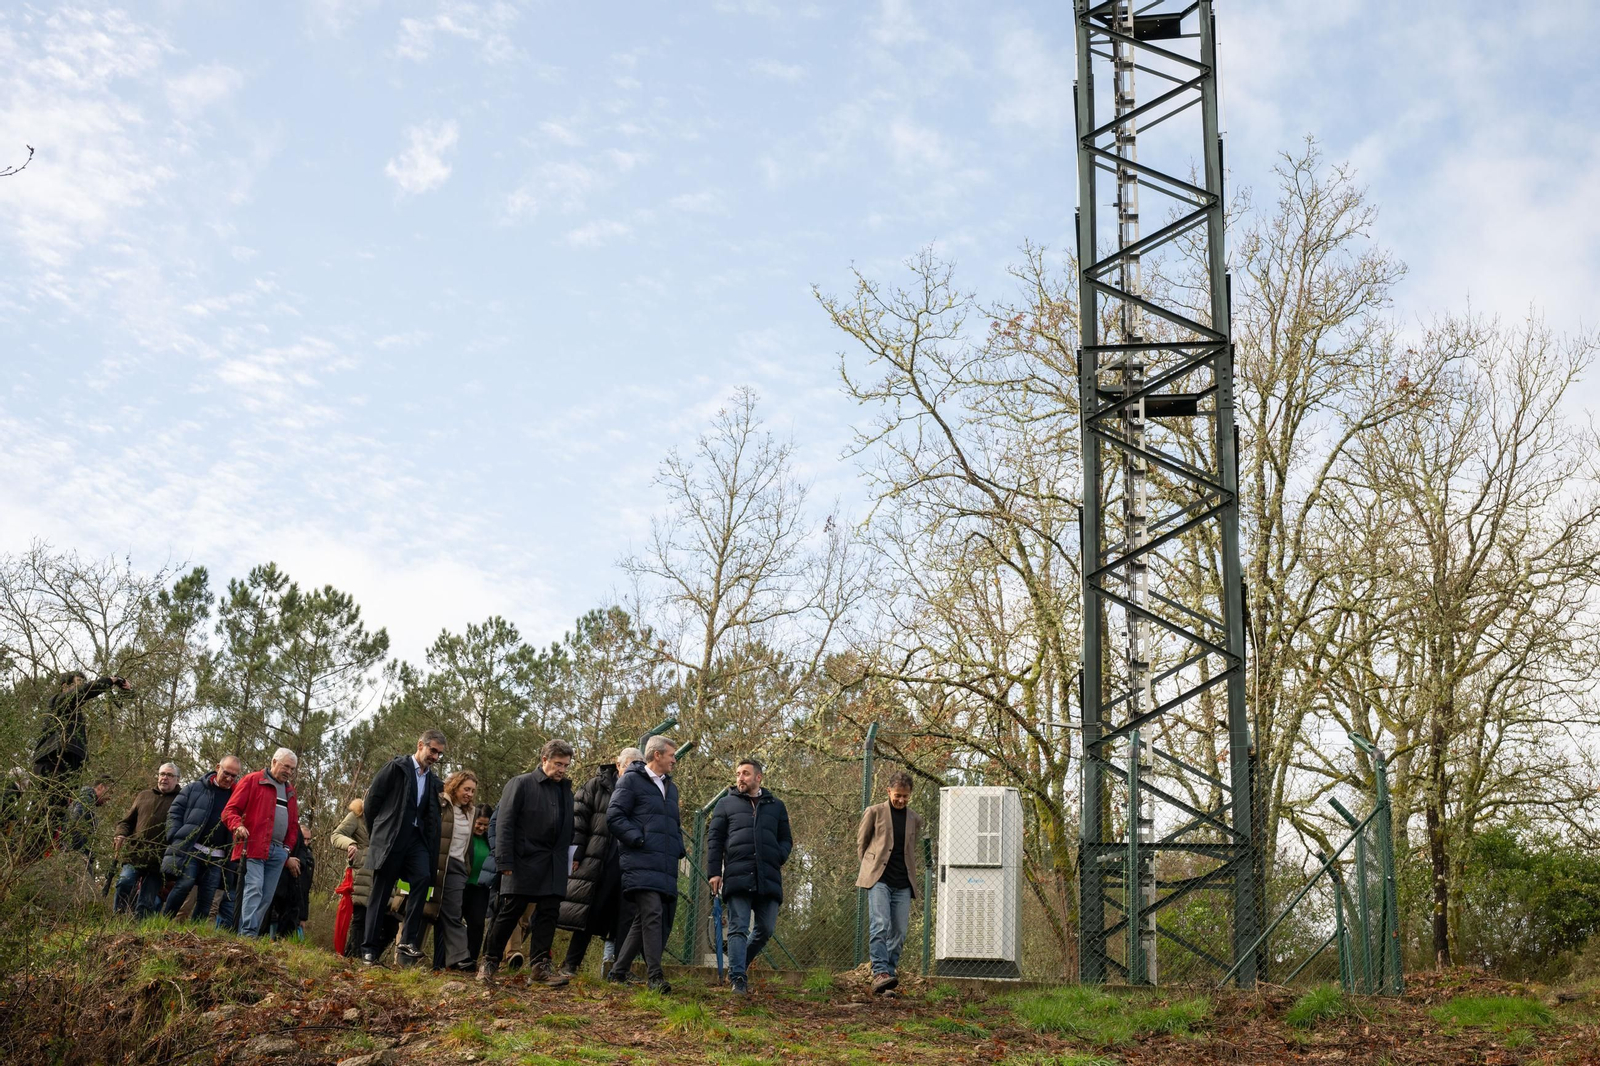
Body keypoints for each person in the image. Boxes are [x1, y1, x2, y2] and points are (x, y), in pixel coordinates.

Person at [477, 739, 575, 987]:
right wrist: (504, 861)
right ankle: (489, 962)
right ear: (544, 760)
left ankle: (540, 967)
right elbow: (504, 824)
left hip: (553, 862)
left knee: (549, 913)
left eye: (565, 765)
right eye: (557, 764)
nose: (562, 769)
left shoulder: (566, 790)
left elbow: (567, 829)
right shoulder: (520, 784)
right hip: (521, 861)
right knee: (510, 911)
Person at [706, 757, 793, 994]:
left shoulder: (776, 805)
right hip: (737, 875)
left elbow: (786, 839)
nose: (740, 778)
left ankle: (739, 964)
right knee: (737, 927)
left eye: (745, 773)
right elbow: (714, 841)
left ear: (758, 777)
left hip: (768, 876)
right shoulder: (725, 804)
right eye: (737, 773)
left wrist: (778, 856)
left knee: (766, 928)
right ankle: (738, 979)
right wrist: (714, 873)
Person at [360, 730, 446, 965]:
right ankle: (369, 949)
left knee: (423, 878)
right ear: (420, 745)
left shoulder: (433, 781)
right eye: (433, 750)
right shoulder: (395, 769)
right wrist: (378, 833)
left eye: (439, 753)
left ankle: (407, 942)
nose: (436, 757)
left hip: (416, 842)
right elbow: (372, 803)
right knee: (381, 892)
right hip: (392, 840)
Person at [607, 735, 684, 993]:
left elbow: (673, 824)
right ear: (657, 755)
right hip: (639, 861)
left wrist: (677, 848)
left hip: (663, 863)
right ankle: (655, 976)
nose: (675, 759)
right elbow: (615, 816)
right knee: (653, 913)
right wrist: (638, 840)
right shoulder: (631, 780)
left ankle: (617, 972)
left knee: (644, 918)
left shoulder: (670, 787)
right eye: (672, 754)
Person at [556, 747, 640, 978]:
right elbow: (579, 820)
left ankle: (620, 969)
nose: (632, 770)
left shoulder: (642, 789)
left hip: (627, 862)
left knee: (626, 916)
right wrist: (577, 854)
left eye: (637, 766)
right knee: (588, 912)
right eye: (629, 765)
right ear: (618, 764)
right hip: (597, 859)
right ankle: (571, 964)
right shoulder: (596, 785)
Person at [220, 748, 303, 938]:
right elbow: (229, 811)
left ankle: (251, 934)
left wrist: (287, 849)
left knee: (266, 895)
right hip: (254, 846)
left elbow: (293, 824)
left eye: (292, 769)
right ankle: (248, 933)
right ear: (274, 762)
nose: (289, 772)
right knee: (254, 887)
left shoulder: (290, 791)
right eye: (286, 766)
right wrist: (237, 827)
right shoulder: (253, 780)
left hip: (278, 851)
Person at [856, 770, 924, 995]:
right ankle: (879, 972)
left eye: (905, 796)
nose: (901, 800)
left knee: (900, 932)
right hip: (879, 880)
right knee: (881, 924)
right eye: (897, 795)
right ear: (888, 791)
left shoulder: (915, 819)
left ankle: (889, 975)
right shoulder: (874, 812)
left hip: (903, 882)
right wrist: (870, 869)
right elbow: (862, 844)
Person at [31, 672, 131, 816]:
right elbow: (84, 691)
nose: (82, 685)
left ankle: (51, 837)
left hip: (68, 766)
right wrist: (109, 681)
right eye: (79, 682)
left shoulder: (74, 713)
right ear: (65, 686)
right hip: (52, 762)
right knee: (46, 810)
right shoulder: (58, 701)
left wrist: (126, 691)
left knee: (59, 813)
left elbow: (88, 694)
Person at [161, 755, 243, 922]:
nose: (229, 778)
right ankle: (163, 923)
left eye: (234, 776)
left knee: (207, 898)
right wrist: (176, 836)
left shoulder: (237, 797)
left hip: (217, 856)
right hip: (192, 849)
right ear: (217, 767)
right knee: (184, 885)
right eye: (226, 773)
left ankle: (195, 933)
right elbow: (175, 812)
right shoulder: (195, 788)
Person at [113, 763, 181, 918]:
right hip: (135, 854)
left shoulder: (182, 800)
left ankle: (137, 935)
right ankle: (115, 922)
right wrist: (121, 834)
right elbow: (126, 822)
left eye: (169, 775)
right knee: (124, 883)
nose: (164, 778)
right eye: (162, 774)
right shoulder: (144, 795)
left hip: (159, 860)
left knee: (146, 902)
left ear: (177, 779)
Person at [428, 770, 479, 971]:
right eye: (466, 789)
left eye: (473, 791)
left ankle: (459, 957)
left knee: (454, 911)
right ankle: (408, 954)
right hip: (436, 863)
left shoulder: (471, 812)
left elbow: (468, 844)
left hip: (458, 866)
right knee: (425, 910)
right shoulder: (441, 803)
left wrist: (466, 866)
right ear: (455, 786)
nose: (470, 794)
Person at [330, 798, 372, 957]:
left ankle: (363, 956)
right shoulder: (357, 815)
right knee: (360, 917)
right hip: (361, 873)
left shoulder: (390, 817)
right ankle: (353, 958)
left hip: (382, 875)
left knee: (386, 924)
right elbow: (336, 835)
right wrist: (350, 844)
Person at [266, 816, 315, 938]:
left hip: (293, 895)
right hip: (276, 888)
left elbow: (305, 889)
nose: (306, 842)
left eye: (309, 839)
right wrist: (286, 860)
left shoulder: (309, 859)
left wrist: (303, 916)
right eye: (304, 838)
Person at [462, 803, 497, 968]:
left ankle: (471, 960)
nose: (482, 828)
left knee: (476, 925)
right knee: (454, 923)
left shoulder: (490, 841)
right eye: (479, 823)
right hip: (461, 885)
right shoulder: (464, 837)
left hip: (480, 888)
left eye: (486, 824)